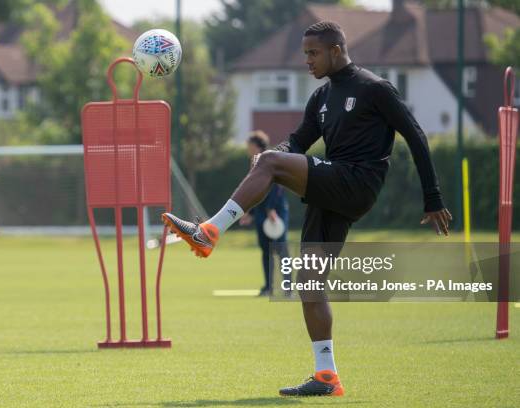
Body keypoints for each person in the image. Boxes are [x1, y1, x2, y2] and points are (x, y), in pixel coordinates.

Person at [162, 21, 452, 397]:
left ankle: (209, 232)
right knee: (309, 284)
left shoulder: (375, 88)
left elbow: (415, 135)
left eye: (313, 53)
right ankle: (327, 377)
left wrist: (433, 197)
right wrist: (271, 160)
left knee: (269, 162)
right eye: (304, 54)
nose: (307, 62)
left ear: (336, 50)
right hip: (332, 189)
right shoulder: (320, 98)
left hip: (358, 181)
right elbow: (297, 142)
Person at [239, 131, 290, 296]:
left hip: (276, 211)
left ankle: (288, 288)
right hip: (261, 212)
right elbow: (255, 190)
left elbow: (277, 186)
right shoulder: (252, 162)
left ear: (257, 145)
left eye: (250, 145)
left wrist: (271, 209)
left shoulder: (270, 158)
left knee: (281, 249)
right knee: (266, 250)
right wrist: (251, 213)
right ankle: (268, 287)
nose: (248, 148)